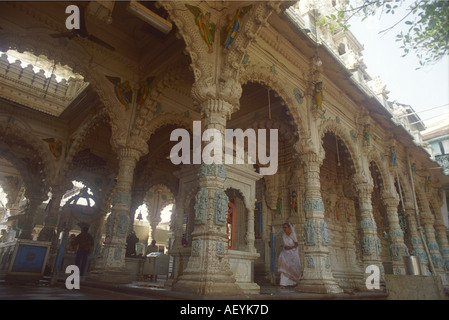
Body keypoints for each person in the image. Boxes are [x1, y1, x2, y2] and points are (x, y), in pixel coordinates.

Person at [278, 223, 301, 289]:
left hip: (292, 253)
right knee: (284, 267)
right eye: (283, 228)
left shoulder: (292, 235)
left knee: (293, 268)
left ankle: (294, 282)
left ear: (289, 228)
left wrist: (291, 247)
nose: (284, 229)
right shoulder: (283, 235)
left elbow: (296, 244)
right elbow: (284, 244)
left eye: (286, 227)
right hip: (285, 253)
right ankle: (283, 284)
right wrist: (285, 246)